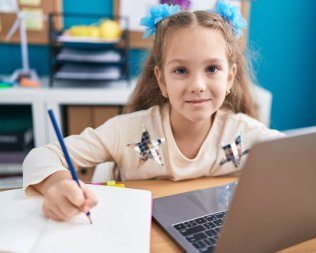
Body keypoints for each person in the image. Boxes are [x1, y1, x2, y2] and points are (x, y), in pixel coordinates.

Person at [22, 0, 283, 221]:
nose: (197, 86)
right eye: (181, 71)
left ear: (229, 78)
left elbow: (297, 157)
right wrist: (57, 184)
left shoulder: (245, 133)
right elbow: (41, 156)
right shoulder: (125, 131)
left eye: (212, 69)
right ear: (162, 81)